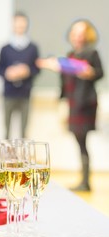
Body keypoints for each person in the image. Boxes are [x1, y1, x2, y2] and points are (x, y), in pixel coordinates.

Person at [36, 19, 104, 192]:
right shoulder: (70, 54)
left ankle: (86, 182)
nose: (77, 37)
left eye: (81, 33)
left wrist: (88, 72)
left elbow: (98, 73)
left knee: (82, 141)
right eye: (74, 33)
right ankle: (84, 180)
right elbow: (65, 81)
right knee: (78, 141)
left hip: (85, 104)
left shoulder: (91, 53)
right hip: (73, 103)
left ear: (87, 35)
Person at [0, 12, 40, 139]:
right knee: (6, 129)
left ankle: (23, 156)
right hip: (9, 93)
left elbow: (37, 69)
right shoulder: (5, 48)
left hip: (25, 93)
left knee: (24, 130)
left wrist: (27, 71)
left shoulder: (32, 48)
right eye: (17, 23)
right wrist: (8, 73)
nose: (20, 26)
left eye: (22, 23)